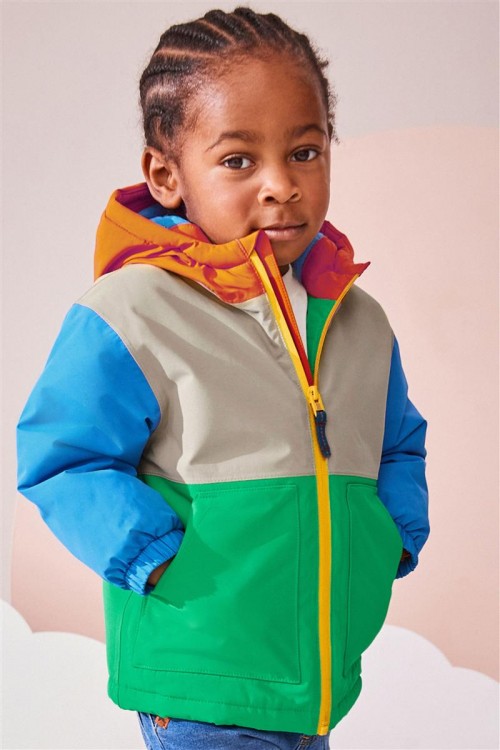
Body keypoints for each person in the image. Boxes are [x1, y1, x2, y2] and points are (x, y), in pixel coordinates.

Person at [16, 7, 430, 749]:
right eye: (239, 160)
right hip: (199, 683)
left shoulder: (357, 318)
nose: (281, 185)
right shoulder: (133, 309)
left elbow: (397, 443)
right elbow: (62, 457)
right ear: (166, 175)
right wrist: (154, 557)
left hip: (314, 684)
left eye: (305, 151)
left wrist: (390, 537)